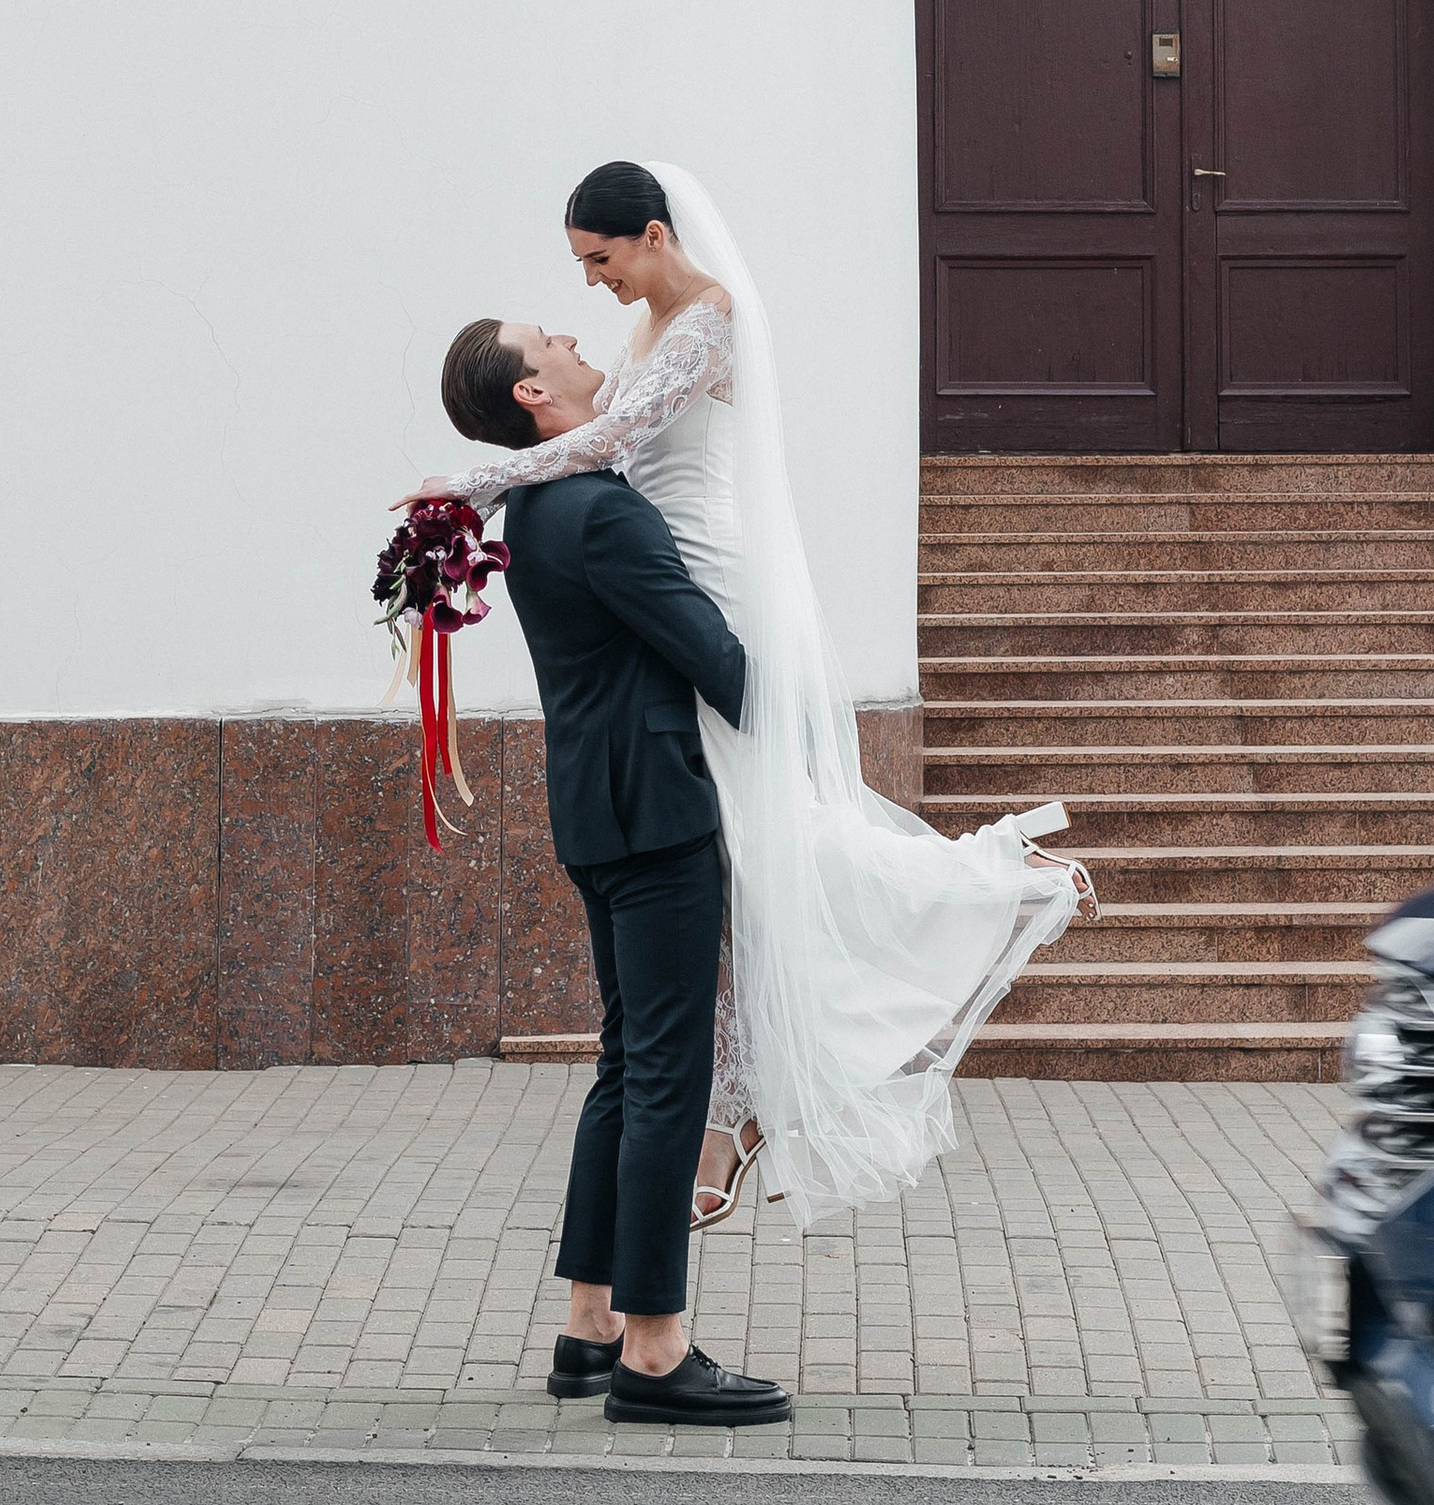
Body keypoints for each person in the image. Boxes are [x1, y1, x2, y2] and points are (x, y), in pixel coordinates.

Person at [421, 161, 1092, 1232]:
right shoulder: (647, 327)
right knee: (740, 847)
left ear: (648, 232)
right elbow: (599, 442)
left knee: (772, 824)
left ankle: (983, 887)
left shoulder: (708, 321)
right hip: (661, 569)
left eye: (597, 260)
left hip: (709, 584)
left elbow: (613, 442)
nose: (589, 288)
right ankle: (745, 1105)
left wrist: (473, 482)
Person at [437, 310, 793, 1429]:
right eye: (556, 344)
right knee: (666, 1081)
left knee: (626, 1065)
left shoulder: (545, 505)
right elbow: (716, 659)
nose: (584, 343)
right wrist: (803, 747)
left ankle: (589, 1326)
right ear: (536, 399)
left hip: (598, 811)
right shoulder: (599, 512)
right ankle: (654, 1347)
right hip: (658, 816)